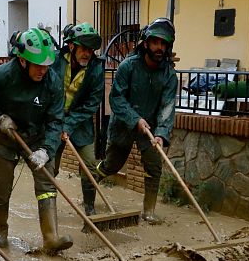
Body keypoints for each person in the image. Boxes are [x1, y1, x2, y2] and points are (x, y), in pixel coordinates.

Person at [0, 27, 72, 254]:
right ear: (23, 61)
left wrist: (46, 150)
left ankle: (51, 237)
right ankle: (1, 231)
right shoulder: (0, 76)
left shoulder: (52, 82)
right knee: (1, 184)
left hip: (36, 134)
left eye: (46, 65)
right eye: (38, 65)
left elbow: (55, 121)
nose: (43, 70)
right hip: (2, 136)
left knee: (46, 179)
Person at [95, 17, 177, 224]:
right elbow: (116, 98)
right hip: (124, 123)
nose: (159, 47)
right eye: (156, 42)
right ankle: (91, 184)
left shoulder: (169, 75)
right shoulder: (128, 66)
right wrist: (135, 119)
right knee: (112, 165)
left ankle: (148, 211)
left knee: (154, 166)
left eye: (163, 43)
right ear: (146, 43)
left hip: (150, 128)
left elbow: (168, 106)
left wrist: (161, 133)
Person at [50, 22, 104, 215]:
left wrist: (70, 124)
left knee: (90, 165)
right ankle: (49, 208)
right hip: (53, 122)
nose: (87, 53)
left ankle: (89, 208)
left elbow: (92, 102)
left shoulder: (96, 69)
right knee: (49, 167)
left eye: (90, 49)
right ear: (72, 46)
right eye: (83, 48)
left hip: (80, 123)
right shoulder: (54, 61)